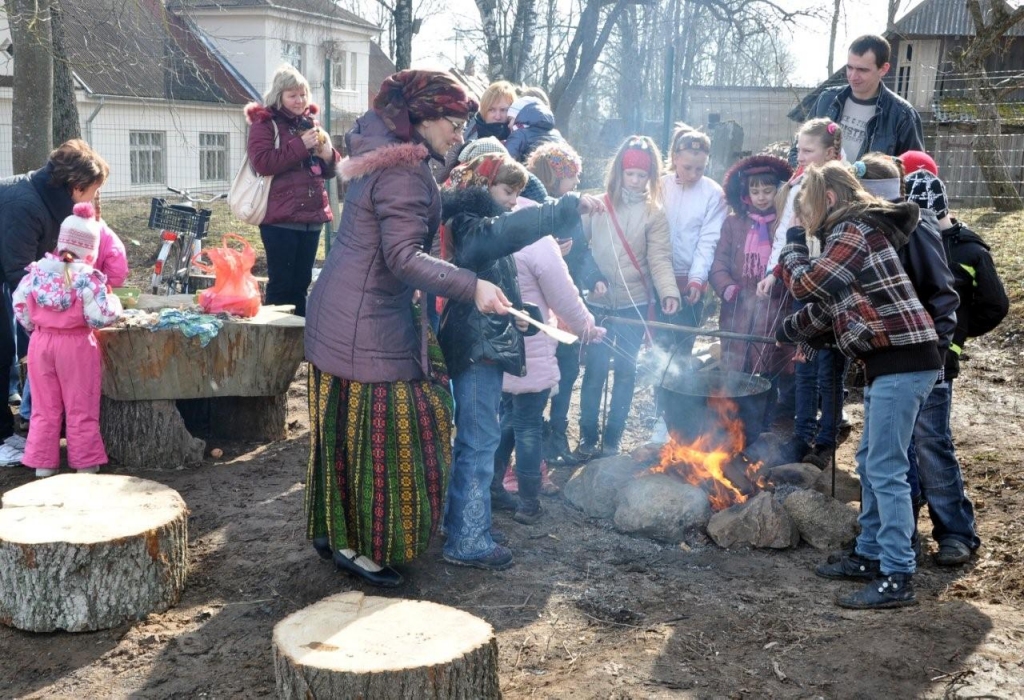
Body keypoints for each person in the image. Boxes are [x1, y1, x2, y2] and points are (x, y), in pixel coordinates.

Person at [303, 70, 506, 588]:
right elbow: (400, 256)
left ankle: (333, 531)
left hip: (340, 309)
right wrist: (472, 285)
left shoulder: (385, 145)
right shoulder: (404, 172)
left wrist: (453, 202)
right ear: (421, 118)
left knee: (339, 431)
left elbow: (398, 216)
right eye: (454, 124)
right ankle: (363, 547)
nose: (460, 135)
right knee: (393, 433)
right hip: (366, 321)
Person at [777, 161, 942, 609]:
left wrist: (792, 245)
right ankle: (870, 553)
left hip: (901, 362)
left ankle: (897, 574)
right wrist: (790, 331)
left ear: (827, 199)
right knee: (872, 461)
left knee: (885, 468)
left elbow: (809, 283)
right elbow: (833, 304)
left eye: (805, 208)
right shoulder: (856, 234)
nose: (804, 219)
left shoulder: (853, 230)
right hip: (893, 362)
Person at [439, 153, 603, 570]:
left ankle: (463, 521)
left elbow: (496, 286)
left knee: (482, 438)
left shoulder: (474, 221)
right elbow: (503, 235)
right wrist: (563, 209)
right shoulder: (471, 223)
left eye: (517, 193)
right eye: (508, 191)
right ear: (482, 186)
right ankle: (468, 539)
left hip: (487, 340)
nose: (514, 202)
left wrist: (524, 318)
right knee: (478, 441)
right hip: (476, 349)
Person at [902, 160, 1008, 565]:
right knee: (900, 448)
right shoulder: (902, 241)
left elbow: (995, 305)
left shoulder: (969, 249)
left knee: (930, 444)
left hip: (940, 364)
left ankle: (956, 532)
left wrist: (957, 340)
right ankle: (901, 530)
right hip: (901, 359)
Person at [490, 183, 604, 526]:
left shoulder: (491, 226)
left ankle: (494, 486)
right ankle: (528, 503)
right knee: (527, 427)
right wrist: (587, 327)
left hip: (497, 344)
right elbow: (563, 295)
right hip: (531, 347)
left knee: (508, 420)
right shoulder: (537, 239)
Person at [576, 136, 680, 460]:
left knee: (625, 370)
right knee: (593, 372)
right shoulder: (596, 206)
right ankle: (588, 437)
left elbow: (659, 258)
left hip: (633, 304)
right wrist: (591, 279)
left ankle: (612, 441)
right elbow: (579, 252)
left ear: (650, 177)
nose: (635, 181)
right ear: (619, 172)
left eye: (642, 175)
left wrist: (668, 292)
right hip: (598, 304)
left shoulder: (654, 213)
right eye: (629, 174)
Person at [0, 139, 109, 442]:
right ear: (76, 186)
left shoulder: (49, 203)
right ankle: (3, 440)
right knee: (2, 347)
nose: (94, 198)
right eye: (93, 191)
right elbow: (21, 278)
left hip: (9, 270)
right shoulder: (25, 206)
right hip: (9, 270)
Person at [13, 203, 122, 478]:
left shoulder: (36, 272)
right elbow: (100, 317)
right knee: (80, 406)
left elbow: (20, 308)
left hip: (41, 344)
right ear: (90, 250)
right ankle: (85, 466)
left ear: (61, 241)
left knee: (44, 408)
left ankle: (43, 466)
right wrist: (116, 304)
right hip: (76, 346)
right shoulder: (87, 278)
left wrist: (35, 328)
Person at [760, 118, 846, 466]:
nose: (801, 154)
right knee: (804, 364)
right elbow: (785, 234)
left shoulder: (841, 189)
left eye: (808, 150)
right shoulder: (797, 186)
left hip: (832, 288)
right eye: (799, 148)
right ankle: (801, 435)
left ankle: (826, 439)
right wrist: (772, 271)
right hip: (801, 283)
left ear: (831, 152)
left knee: (829, 368)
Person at [525, 142, 606, 467]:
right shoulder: (530, 208)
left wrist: (594, 277)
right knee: (542, 376)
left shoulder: (571, 212)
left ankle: (558, 434)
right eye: (569, 177)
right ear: (552, 177)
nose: (575, 183)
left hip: (568, 303)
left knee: (569, 369)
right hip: (540, 308)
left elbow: (583, 253)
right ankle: (538, 439)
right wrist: (550, 249)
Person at [246, 64, 339, 317]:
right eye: (292, 95)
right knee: (281, 286)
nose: (299, 101)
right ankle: (273, 347)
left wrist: (328, 155)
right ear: (279, 96)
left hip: (312, 218)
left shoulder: (311, 123)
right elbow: (263, 163)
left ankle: (298, 347)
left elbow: (330, 171)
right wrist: (300, 145)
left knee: (301, 286)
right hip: (280, 219)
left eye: (303, 94)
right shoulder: (265, 123)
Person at [709, 155, 793, 431]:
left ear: (778, 191)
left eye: (767, 191)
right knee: (736, 365)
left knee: (769, 366)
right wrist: (728, 288)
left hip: (773, 308)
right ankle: (733, 421)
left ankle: (765, 421)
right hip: (737, 308)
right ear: (745, 194)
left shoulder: (783, 225)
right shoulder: (733, 225)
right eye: (755, 191)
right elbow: (719, 262)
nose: (761, 197)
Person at [790, 34, 923, 166]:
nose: (853, 76)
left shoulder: (903, 116)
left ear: (883, 69)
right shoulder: (827, 99)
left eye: (862, 70)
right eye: (850, 67)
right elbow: (797, 150)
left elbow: (915, 173)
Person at [661, 124, 726, 354]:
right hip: (659, 279)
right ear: (675, 157)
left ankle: (678, 389)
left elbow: (708, 240)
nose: (693, 175)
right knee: (659, 350)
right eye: (687, 167)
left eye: (700, 169)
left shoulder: (713, 193)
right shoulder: (660, 186)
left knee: (681, 348)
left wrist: (697, 279)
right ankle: (658, 390)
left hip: (691, 283)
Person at [443, 80, 516, 174]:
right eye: (492, 110)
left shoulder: (517, 140)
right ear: (484, 110)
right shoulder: (467, 132)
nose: (497, 116)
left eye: (503, 110)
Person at [505, 97, 566, 163]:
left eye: (510, 119)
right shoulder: (556, 134)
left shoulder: (519, 134)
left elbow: (507, 160)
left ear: (520, 117)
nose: (508, 125)